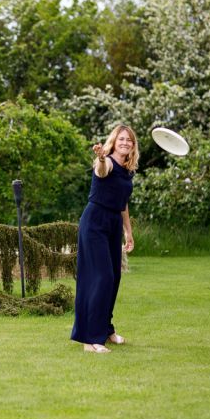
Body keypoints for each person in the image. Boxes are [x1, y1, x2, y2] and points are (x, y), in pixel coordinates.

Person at [71, 124, 138, 353]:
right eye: (121, 139)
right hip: (95, 222)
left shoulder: (128, 170)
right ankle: (91, 340)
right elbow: (101, 170)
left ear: (133, 145)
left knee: (114, 277)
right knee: (102, 277)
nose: (125, 143)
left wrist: (128, 231)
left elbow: (123, 203)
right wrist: (100, 157)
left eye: (129, 140)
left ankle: (106, 329)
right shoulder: (107, 161)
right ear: (114, 141)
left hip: (113, 224)